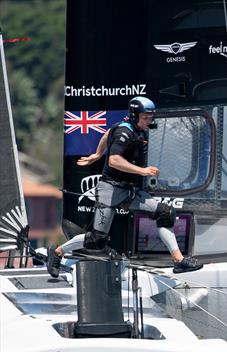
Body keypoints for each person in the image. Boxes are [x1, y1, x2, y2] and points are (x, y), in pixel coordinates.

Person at [46, 96, 203, 277]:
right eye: (145, 117)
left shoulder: (136, 128)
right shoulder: (125, 131)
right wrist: (141, 171)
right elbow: (114, 161)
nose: (148, 121)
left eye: (151, 117)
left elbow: (107, 134)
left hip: (129, 191)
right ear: (134, 115)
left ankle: (179, 260)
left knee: (165, 212)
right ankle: (57, 252)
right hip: (110, 190)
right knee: (97, 240)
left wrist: (98, 153)